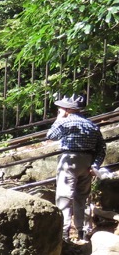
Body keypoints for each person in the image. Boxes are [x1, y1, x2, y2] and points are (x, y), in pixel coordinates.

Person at [46, 93, 106, 242]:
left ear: (67, 109)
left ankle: (64, 233)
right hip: (87, 162)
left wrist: (59, 118)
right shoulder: (92, 125)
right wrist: (95, 165)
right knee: (82, 197)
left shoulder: (65, 122)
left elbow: (51, 135)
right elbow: (101, 148)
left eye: (61, 108)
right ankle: (83, 231)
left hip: (69, 160)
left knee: (64, 196)